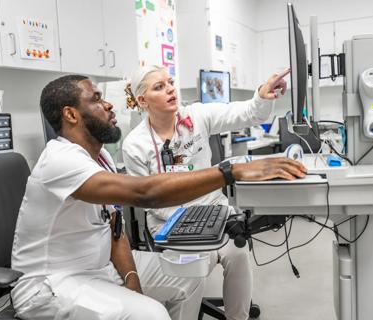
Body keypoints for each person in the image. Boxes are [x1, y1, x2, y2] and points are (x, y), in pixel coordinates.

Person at [11, 75, 306, 320]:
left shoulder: (99, 157)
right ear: (71, 114)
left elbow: (114, 229)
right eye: (97, 99)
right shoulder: (60, 160)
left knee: (191, 277)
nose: (109, 103)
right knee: (152, 315)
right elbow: (145, 193)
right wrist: (231, 171)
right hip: (51, 285)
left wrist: (132, 280)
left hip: (99, 268)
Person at [122, 65, 290, 320]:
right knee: (191, 275)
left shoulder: (196, 115)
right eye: (159, 87)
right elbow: (148, 198)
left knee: (238, 251)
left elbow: (245, 113)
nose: (170, 89)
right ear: (143, 100)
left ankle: (238, 317)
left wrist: (262, 96)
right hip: (170, 221)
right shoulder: (135, 144)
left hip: (215, 209)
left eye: (169, 82)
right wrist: (195, 228)